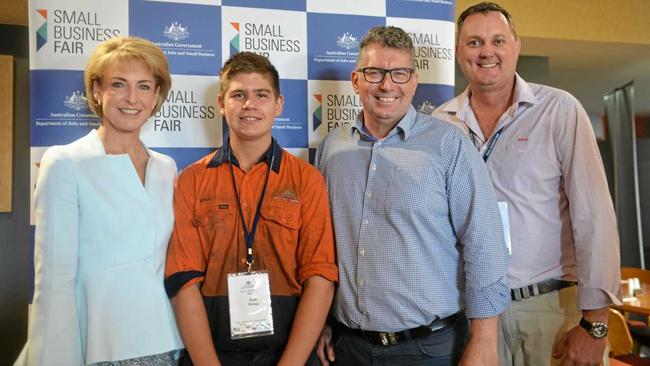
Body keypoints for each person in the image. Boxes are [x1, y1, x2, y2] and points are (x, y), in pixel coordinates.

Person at [434, 2, 620, 365]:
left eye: (497, 40)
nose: (486, 51)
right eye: (474, 43)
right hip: (468, 313)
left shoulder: (559, 111)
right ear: (458, 53)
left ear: (517, 46)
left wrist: (595, 324)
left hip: (550, 310)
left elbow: (594, 219)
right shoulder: (440, 124)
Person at [314, 25, 510, 366]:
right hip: (348, 348)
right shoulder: (332, 149)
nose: (387, 85)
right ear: (356, 80)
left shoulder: (450, 146)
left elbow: (485, 242)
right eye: (374, 73)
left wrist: (484, 340)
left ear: (414, 81)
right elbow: (323, 246)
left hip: (430, 349)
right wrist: (323, 322)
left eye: (399, 73)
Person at [16, 36, 183, 365]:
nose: (132, 98)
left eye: (144, 86)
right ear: (96, 90)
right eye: (118, 84)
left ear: (157, 96)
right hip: (100, 346)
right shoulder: (66, 162)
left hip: (166, 341)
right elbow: (54, 283)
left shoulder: (166, 168)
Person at [164, 51, 338, 366]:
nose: (250, 104)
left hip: (290, 352)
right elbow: (183, 280)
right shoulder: (190, 180)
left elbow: (320, 276)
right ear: (221, 104)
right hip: (213, 352)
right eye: (238, 95)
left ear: (278, 105)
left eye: (261, 94)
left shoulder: (306, 180)